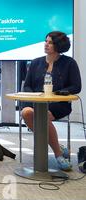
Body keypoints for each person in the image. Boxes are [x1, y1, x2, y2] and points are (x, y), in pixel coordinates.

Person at [21, 31, 81, 171]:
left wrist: (61, 92)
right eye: (46, 41)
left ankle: (58, 155)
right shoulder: (36, 62)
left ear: (58, 45)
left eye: (50, 42)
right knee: (26, 112)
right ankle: (57, 147)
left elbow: (76, 86)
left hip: (58, 104)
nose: (46, 45)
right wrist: (35, 96)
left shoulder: (69, 63)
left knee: (42, 116)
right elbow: (27, 85)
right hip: (35, 103)